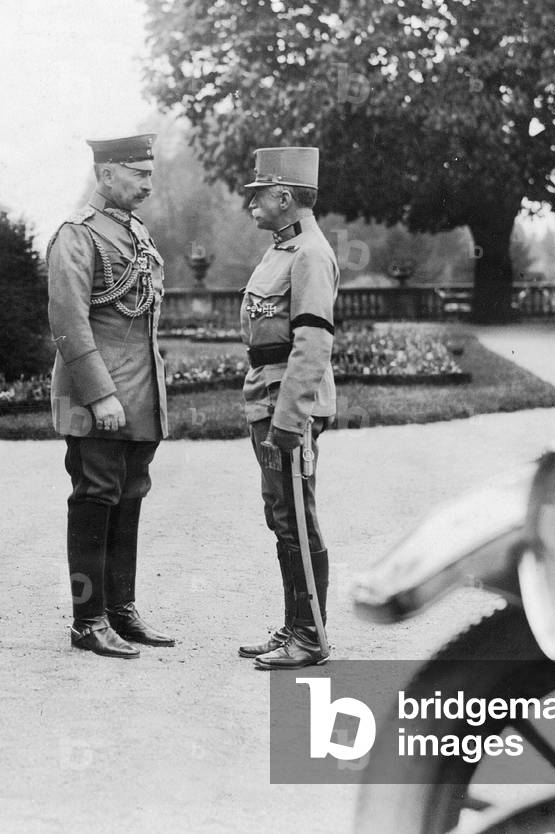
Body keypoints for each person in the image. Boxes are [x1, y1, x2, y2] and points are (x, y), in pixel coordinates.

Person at [46, 134, 174, 658]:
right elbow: (69, 324)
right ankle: (87, 619)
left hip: (141, 396)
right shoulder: (77, 236)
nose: (148, 182)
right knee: (95, 499)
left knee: (129, 498)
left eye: (149, 173)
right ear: (106, 175)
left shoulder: (135, 233)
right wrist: (100, 395)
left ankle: (120, 611)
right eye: (138, 173)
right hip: (99, 398)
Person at [237, 147, 340, 670]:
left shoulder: (310, 255)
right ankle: (296, 624)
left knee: (296, 516)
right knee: (282, 514)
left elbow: (313, 343)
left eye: (258, 194)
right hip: (268, 393)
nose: (250, 202)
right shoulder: (284, 249)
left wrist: (290, 419)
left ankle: (311, 636)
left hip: (285, 401)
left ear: (285, 196)